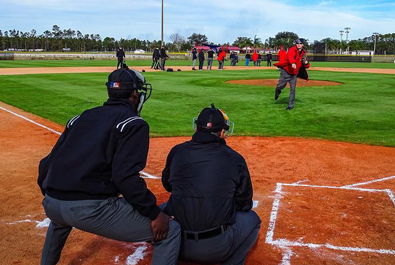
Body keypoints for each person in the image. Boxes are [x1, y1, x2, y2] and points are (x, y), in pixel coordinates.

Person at [37, 67, 181, 265]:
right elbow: (125, 178)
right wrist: (155, 214)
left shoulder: (81, 117)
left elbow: (46, 163)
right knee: (170, 231)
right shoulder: (133, 123)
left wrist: (52, 196)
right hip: (89, 210)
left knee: (60, 221)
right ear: (134, 94)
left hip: (52, 204)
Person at [161, 104, 261, 265]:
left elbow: (168, 186)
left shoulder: (176, 151)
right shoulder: (235, 159)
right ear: (222, 132)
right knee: (252, 219)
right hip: (216, 249)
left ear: (196, 128)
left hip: (175, 243)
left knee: (161, 209)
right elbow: (244, 203)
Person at [274, 38, 310, 110]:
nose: (298, 45)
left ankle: (290, 105)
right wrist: (293, 63)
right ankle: (277, 91)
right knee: (281, 86)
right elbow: (290, 57)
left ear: (302, 45)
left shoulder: (304, 53)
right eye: (297, 43)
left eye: (300, 44)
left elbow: (304, 64)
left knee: (292, 89)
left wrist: (306, 63)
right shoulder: (292, 49)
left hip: (294, 74)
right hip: (286, 72)